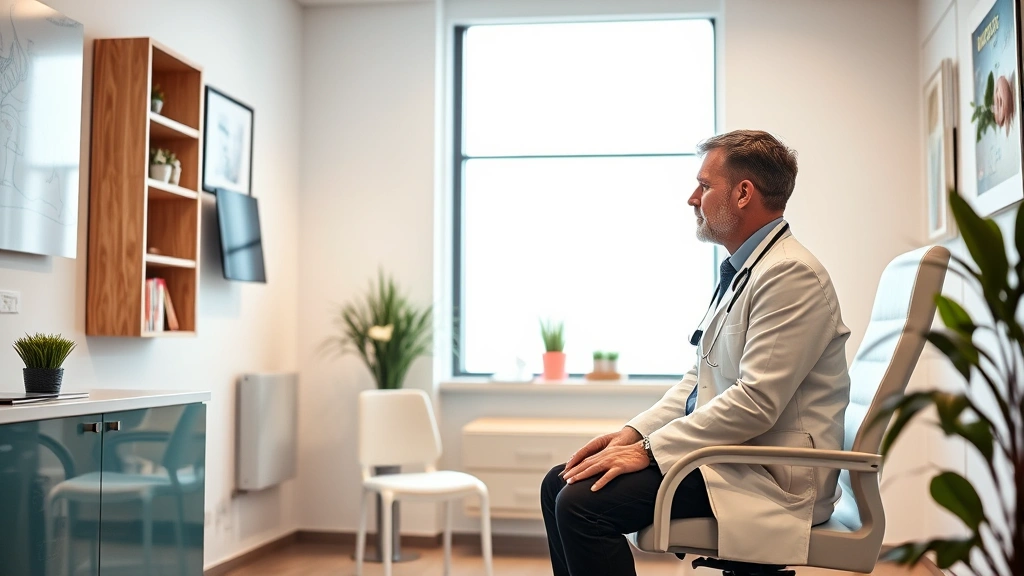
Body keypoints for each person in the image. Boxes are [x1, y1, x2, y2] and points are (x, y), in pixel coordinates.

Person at [540, 130, 852, 575]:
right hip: (735, 457)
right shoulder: (749, 269)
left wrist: (649, 451)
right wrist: (633, 434)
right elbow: (698, 380)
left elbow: (755, 403)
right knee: (560, 483)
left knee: (581, 504)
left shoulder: (790, 275)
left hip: (770, 475)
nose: (692, 198)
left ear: (743, 193)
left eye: (705, 186)